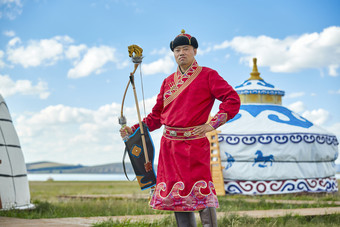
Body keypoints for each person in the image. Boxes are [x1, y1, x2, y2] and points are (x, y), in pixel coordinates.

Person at [120, 30, 240, 227]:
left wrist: (212, 124)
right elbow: (157, 117)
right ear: (173, 53)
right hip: (169, 147)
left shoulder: (209, 75)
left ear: (195, 51)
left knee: (201, 190)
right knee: (175, 194)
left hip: (195, 144)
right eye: (177, 50)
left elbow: (232, 99)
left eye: (185, 48)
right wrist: (133, 129)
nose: (181, 53)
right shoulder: (167, 81)